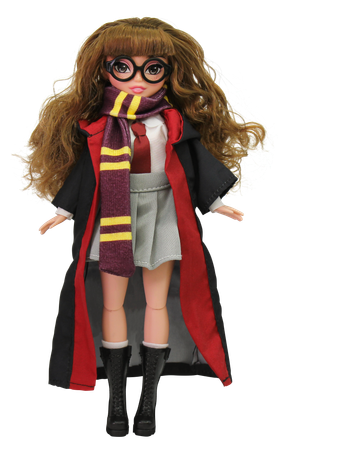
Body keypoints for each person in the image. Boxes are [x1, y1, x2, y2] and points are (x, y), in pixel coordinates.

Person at [23, 17, 265, 437]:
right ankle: (116, 402)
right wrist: (64, 209)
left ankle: (148, 402)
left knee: (157, 302)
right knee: (111, 303)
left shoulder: (171, 122)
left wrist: (215, 202)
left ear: (168, 74)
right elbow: (86, 172)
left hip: (162, 209)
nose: (138, 79)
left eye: (152, 69)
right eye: (123, 67)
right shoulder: (100, 125)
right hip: (112, 213)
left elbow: (193, 165)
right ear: (105, 71)